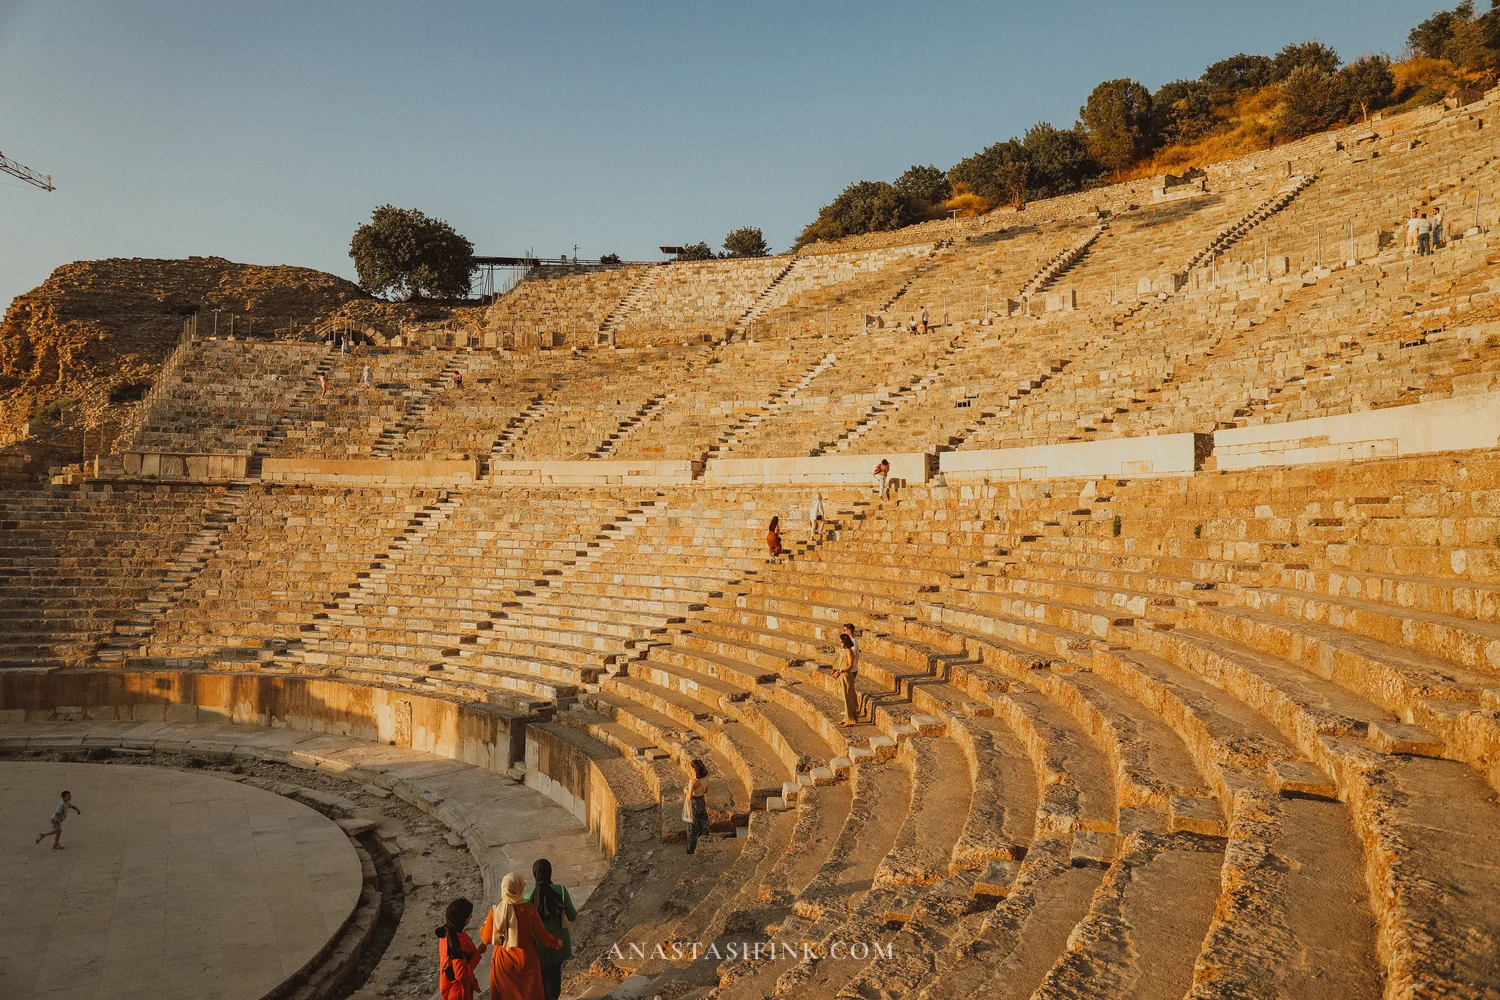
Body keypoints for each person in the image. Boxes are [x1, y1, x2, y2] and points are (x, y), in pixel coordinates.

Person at [481, 872, 562, 1000]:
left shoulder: (496, 910)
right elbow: (543, 936)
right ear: (519, 887)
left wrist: (484, 926)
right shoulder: (529, 909)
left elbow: (485, 938)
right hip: (526, 961)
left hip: (504, 962)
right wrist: (556, 942)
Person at [526, 859, 576, 1000]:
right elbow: (572, 915)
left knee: (541, 985)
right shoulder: (561, 891)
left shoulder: (527, 897)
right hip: (559, 946)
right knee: (554, 984)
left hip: (538, 949)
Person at [435, 898, 484, 1000]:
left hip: (450, 988)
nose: (471, 917)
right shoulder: (456, 942)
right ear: (462, 919)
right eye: (469, 915)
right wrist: (478, 952)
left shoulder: (446, 934)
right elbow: (461, 974)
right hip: (458, 992)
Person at [684, 759, 711, 854]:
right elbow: (705, 791)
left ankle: (692, 849)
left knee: (692, 827)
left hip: (694, 805)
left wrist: (685, 790)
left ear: (694, 769)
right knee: (703, 824)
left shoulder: (693, 781)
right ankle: (704, 845)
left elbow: (689, 797)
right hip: (701, 803)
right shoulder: (705, 779)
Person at [835, 633, 860, 725]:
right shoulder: (843, 651)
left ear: (845, 642)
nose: (839, 643)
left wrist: (840, 671)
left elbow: (850, 666)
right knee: (845, 697)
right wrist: (836, 671)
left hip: (846, 675)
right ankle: (847, 717)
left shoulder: (849, 651)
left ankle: (851, 718)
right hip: (842, 675)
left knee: (848, 696)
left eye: (841, 642)